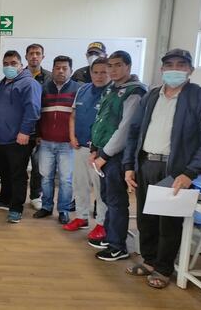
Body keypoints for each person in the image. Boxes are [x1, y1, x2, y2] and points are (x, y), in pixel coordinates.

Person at [123, 49, 201, 289]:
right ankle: (149, 261)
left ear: (190, 70)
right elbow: (134, 131)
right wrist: (129, 165)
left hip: (175, 170)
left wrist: (190, 172)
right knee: (145, 218)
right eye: (169, 65)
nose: (175, 69)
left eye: (181, 65)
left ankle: (163, 268)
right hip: (146, 163)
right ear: (162, 69)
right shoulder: (151, 96)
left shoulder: (199, 97)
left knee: (168, 224)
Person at [89, 50, 147, 261]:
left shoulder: (135, 92)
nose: (112, 70)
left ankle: (117, 246)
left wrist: (103, 154)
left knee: (116, 200)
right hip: (103, 153)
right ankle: (110, 236)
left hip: (117, 156)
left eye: (117, 65)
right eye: (110, 66)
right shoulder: (111, 90)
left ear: (128, 67)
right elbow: (101, 121)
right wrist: (94, 148)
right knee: (106, 197)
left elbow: (125, 130)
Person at [0, 50, 41, 223]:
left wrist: (24, 132)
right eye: (6, 63)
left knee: (18, 174)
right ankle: (4, 199)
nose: (9, 66)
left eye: (13, 63)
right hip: (2, 138)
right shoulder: (2, 83)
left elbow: (32, 110)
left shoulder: (28, 84)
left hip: (19, 138)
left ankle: (16, 207)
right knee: (4, 171)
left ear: (20, 65)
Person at [63, 57, 110, 241]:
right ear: (90, 73)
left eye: (103, 72)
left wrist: (100, 150)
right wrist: (72, 137)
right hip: (79, 146)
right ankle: (81, 217)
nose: (99, 76)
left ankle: (101, 223)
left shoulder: (112, 93)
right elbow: (73, 116)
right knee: (79, 184)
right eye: (95, 72)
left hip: (99, 152)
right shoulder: (82, 90)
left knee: (99, 189)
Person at [33, 56, 80, 224]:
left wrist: (75, 137)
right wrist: (38, 134)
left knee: (66, 180)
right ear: (52, 70)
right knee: (45, 177)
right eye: (57, 67)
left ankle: (64, 210)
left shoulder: (78, 89)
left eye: (64, 68)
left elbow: (79, 117)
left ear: (71, 71)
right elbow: (37, 114)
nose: (60, 71)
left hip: (68, 144)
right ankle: (46, 207)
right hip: (45, 142)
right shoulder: (43, 88)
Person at [24, 43, 50, 210]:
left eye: (38, 53)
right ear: (26, 56)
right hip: (23, 129)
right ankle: (16, 195)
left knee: (38, 166)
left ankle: (35, 195)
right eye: (31, 53)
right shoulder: (20, 75)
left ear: (42, 57)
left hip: (42, 130)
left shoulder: (49, 78)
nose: (34, 56)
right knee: (19, 166)